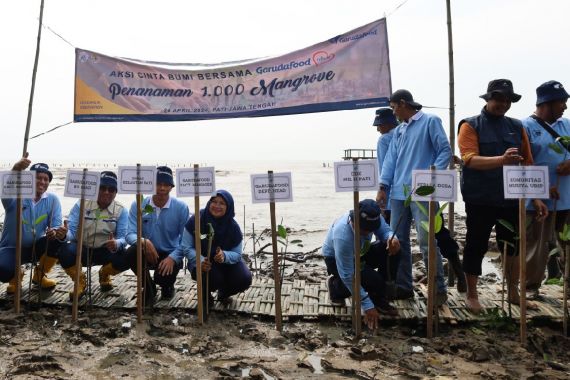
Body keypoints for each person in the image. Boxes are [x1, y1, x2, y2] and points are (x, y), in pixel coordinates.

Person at [458, 79, 548, 313]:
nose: (504, 104)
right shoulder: (469, 125)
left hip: (510, 199)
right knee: (475, 245)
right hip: (479, 198)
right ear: (488, 99)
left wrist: (537, 197)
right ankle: (472, 293)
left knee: (513, 247)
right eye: (499, 99)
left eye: (508, 100)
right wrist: (502, 160)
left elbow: (528, 163)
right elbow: (469, 159)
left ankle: (513, 292)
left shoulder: (517, 126)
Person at [374, 107, 466, 293]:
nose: (394, 112)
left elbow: (445, 150)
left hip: (423, 190)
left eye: (394, 107)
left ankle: (438, 288)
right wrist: (383, 186)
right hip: (398, 192)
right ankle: (403, 286)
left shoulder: (430, 121)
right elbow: (390, 162)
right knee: (399, 241)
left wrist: (431, 175)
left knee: (427, 240)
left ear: (402, 104)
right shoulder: (399, 130)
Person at [322, 199, 401, 330]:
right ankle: (336, 286)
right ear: (353, 221)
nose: (366, 233)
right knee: (372, 280)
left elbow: (385, 231)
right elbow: (347, 274)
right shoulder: (342, 235)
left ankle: (380, 296)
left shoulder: (374, 216)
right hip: (335, 259)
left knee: (395, 249)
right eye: (363, 229)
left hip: (361, 251)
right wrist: (367, 305)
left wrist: (392, 239)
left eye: (370, 230)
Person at [523, 80, 570, 296]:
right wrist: (535, 193)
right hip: (538, 199)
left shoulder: (567, 125)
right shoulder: (525, 127)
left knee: (567, 243)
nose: (565, 107)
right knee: (535, 244)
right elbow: (522, 164)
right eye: (562, 103)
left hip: (567, 197)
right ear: (547, 103)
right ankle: (530, 286)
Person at [165, 190, 252, 304]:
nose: (217, 206)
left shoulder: (233, 227)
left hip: (225, 263)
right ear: (209, 203)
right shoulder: (196, 220)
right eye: (214, 202)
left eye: (222, 203)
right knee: (214, 277)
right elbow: (186, 247)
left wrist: (224, 256)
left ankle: (224, 293)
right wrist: (200, 260)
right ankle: (205, 293)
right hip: (201, 262)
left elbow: (237, 254)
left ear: (229, 207)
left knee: (244, 278)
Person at [0, 156, 67, 293]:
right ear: (29, 179)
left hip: (35, 249)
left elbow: (56, 225)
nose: (42, 182)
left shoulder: (53, 199)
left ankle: (39, 276)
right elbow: (5, 190)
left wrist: (56, 232)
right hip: (11, 248)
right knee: (2, 270)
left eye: (46, 179)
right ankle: (15, 277)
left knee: (58, 242)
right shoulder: (17, 195)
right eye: (38, 178)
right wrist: (15, 170)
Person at [59, 171, 129, 299]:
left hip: (106, 251)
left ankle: (104, 273)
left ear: (116, 192)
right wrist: (64, 235)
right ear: (95, 188)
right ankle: (80, 282)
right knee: (64, 250)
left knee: (128, 256)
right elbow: (72, 232)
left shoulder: (121, 210)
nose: (106, 192)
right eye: (102, 188)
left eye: (111, 189)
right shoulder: (82, 204)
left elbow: (124, 238)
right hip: (83, 249)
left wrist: (116, 243)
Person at [125, 166, 189, 302]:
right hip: (146, 250)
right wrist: (144, 242)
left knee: (163, 279)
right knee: (130, 252)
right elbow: (129, 234)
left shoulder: (181, 207)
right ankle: (148, 287)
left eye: (166, 185)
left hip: (169, 253)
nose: (162, 188)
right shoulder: (139, 204)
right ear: (150, 185)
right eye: (158, 184)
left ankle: (168, 286)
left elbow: (186, 241)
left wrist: (173, 258)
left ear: (171, 187)